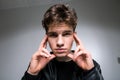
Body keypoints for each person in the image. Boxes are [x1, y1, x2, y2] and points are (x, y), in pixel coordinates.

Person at [22, 4, 104, 80]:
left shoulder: (91, 65)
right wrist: (32, 73)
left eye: (66, 34)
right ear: (46, 37)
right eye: (53, 35)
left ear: (74, 36)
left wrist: (90, 72)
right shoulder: (38, 65)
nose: (60, 42)